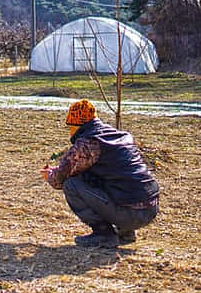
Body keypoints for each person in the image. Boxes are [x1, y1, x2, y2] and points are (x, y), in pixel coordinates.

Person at [41, 99, 159, 248]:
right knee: (105, 179)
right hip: (151, 208)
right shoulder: (119, 135)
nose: (70, 132)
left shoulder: (88, 142)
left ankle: (103, 234)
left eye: (70, 127)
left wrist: (50, 175)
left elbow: (60, 179)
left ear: (76, 125)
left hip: (130, 213)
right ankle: (126, 232)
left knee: (71, 184)